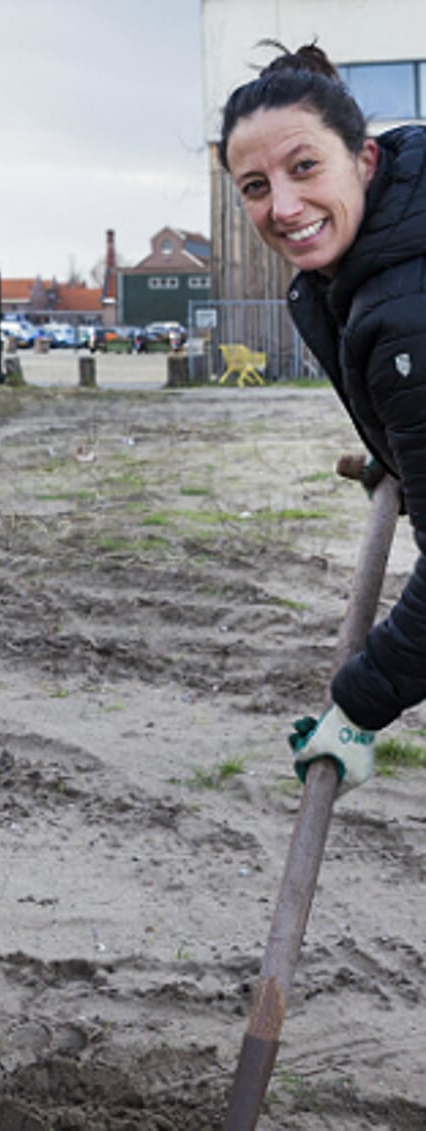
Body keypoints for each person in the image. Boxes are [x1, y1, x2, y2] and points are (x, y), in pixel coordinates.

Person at [218, 44, 426, 794]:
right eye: (254, 185)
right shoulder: (381, 252)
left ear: (363, 159)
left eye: (304, 167)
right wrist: (403, 455)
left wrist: (359, 702)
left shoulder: (404, 308)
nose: (281, 207)